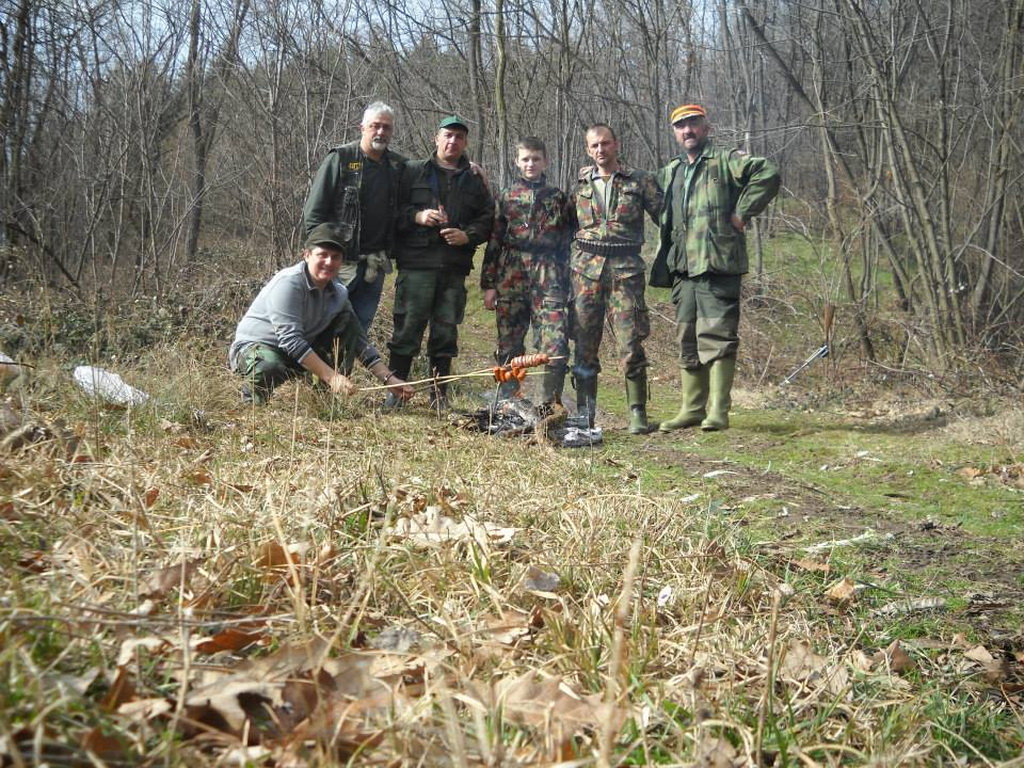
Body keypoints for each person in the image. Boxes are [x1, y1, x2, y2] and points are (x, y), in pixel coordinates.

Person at [651, 104, 780, 431]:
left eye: (693, 123)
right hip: (683, 268)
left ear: (706, 126)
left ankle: (718, 411)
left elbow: (767, 173)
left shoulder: (726, 161)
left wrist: (742, 212)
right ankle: (692, 409)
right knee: (687, 339)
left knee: (718, 337)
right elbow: (646, 195)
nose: (687, 130)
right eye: (681, 126)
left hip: (717, 264)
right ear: (675, 133)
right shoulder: (672, 171)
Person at [229, 223, 414, 405]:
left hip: (296, 354)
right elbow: (290, 341)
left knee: (346, 321)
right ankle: (252, 402)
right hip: (255, 348)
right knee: (269, 366)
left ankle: (322, 401)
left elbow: (358, 339)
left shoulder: (339, 292)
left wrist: (389, 379)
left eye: (335, 257)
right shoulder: (289, 284)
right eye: (322, 255)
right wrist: (331, 376)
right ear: (307, 255)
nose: (329, 262)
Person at [387, 115, 494, 408]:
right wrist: (417, 216)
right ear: (436, 138)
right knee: (407, 329)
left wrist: (467, 235)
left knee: (445, 334)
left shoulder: (474, 179)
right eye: (447, 135)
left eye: (459, 137)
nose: (453, 141)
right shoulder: (412, 172)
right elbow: (392, 212)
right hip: (417, 264)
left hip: (453, 268)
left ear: (466, 142)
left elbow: (488, 219)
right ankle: (396, 395)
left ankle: (439, 397)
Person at [569, 123, 663, 433]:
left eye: (605, 144)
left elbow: (668, 217)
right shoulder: (580, 185)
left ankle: (637, 412)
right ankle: (585, 412)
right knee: (584, 344)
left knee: (631, 342)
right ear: (587, 149)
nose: (600, 150)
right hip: (586, 273)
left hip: (626, 272)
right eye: (594, 145)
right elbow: (562, 228)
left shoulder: (640, 181)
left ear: (616, 145)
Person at [481, 136, 573, 406]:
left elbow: (568, 243)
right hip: (511, 275)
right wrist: (489, 284)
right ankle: (509, 398)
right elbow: (494, 241)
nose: (531, 164)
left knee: (555, 341)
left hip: (549, 274)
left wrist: (569, 284)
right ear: (517, 162)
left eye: (536, 159)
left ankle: (549, 401)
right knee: (509, 341)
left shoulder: (558, 198)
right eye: (525, 159)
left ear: (545, 161)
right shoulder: (506, 197)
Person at [302, 101, 406, 333]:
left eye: (386, 127)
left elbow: (429, 170)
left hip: (374, 265)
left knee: (359, 328)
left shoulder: (397, 166)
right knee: (325, 322)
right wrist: (321, 255)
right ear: (362, 127)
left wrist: (467, 165)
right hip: (339, 262)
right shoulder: (341, 158)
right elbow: (314, 212)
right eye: (375, 126)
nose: (381, 132)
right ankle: (316, 369)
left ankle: (344, 370)